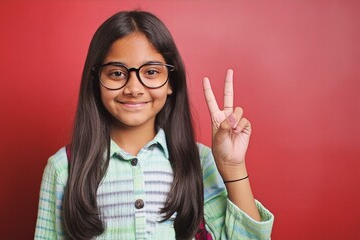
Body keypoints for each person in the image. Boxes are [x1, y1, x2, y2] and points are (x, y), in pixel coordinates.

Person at [34, 10, 274, 240]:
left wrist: (233, 167)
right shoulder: (63, 168)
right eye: (116, 73)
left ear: (171, 82)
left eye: (150, 72)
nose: (134, 88)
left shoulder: (199, 162)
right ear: (96, 81)